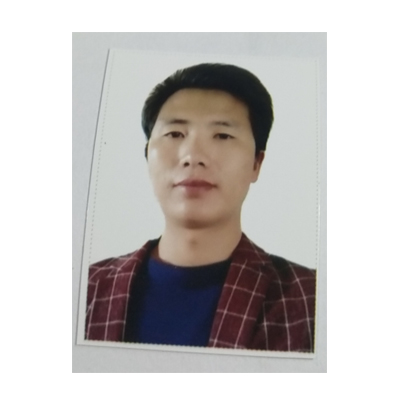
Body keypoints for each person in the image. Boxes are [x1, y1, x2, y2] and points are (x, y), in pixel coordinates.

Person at [85, 63, 316, 352]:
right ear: (147, 155)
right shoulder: (85, 289)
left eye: (222, 135)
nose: (193, 156)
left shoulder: (312, 300)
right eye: (175, 134)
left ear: (256, 163)